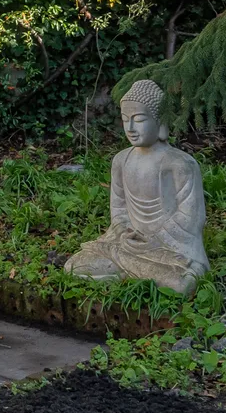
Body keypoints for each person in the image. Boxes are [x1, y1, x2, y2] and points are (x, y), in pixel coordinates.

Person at [63, 78, 209, 294]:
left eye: (139, 119)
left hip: (168, 249)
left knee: (181, 284)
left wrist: (154, 240)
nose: (130, 128)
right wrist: (123, 233)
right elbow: (120, 210)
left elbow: (192, 218)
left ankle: (128, 274)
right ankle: (134, 273)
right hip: (127, 244)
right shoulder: (121, 161)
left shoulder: (180, 164)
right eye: (125, 120)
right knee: (73, 266)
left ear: (160, 122)